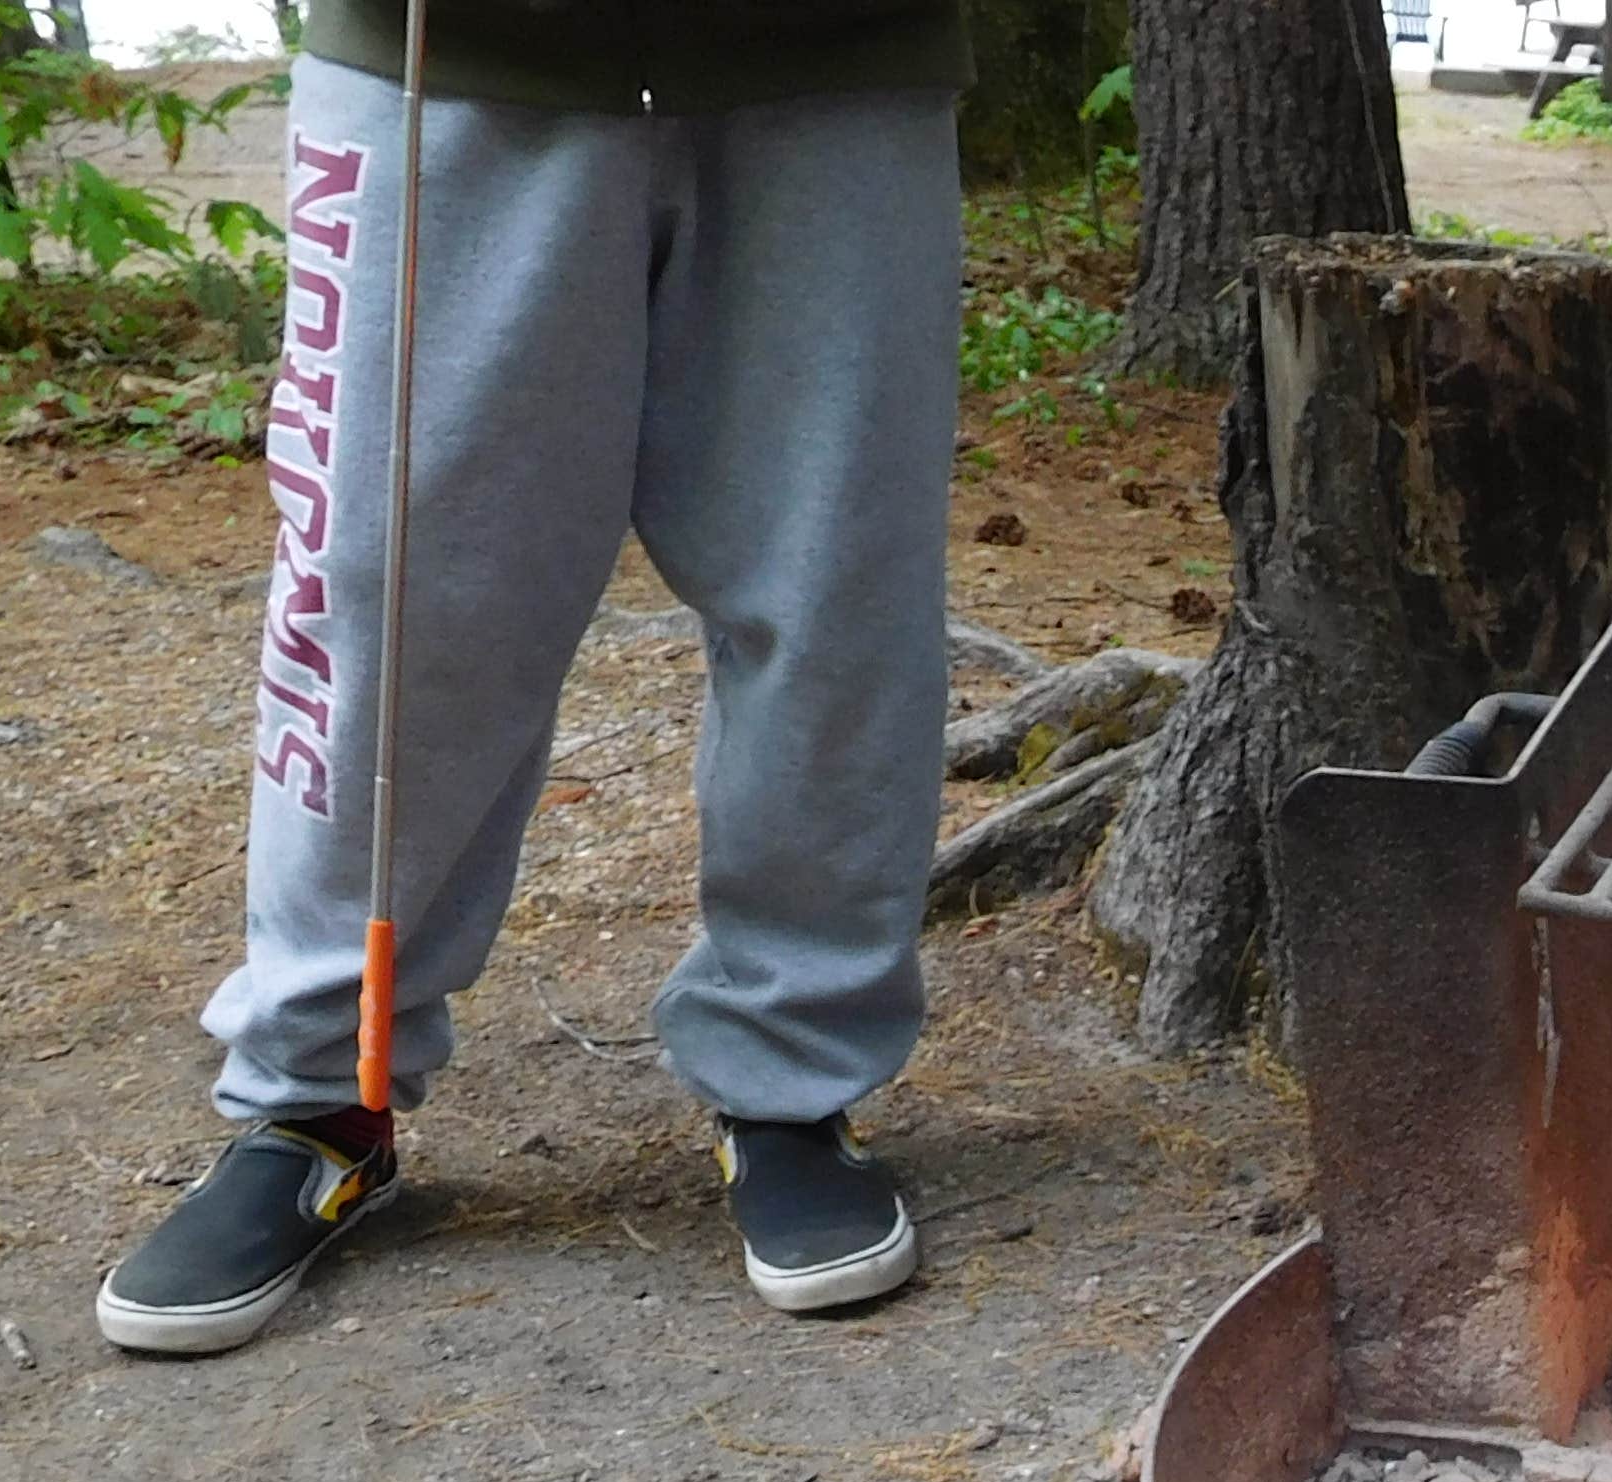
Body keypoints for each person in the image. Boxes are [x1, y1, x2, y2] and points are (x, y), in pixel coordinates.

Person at [96, 0, 971, 1356]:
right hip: (445, 60)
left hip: (836, 58)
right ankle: (323, 1099)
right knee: (384, 588)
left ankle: (794, 1083)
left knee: (835, 589)